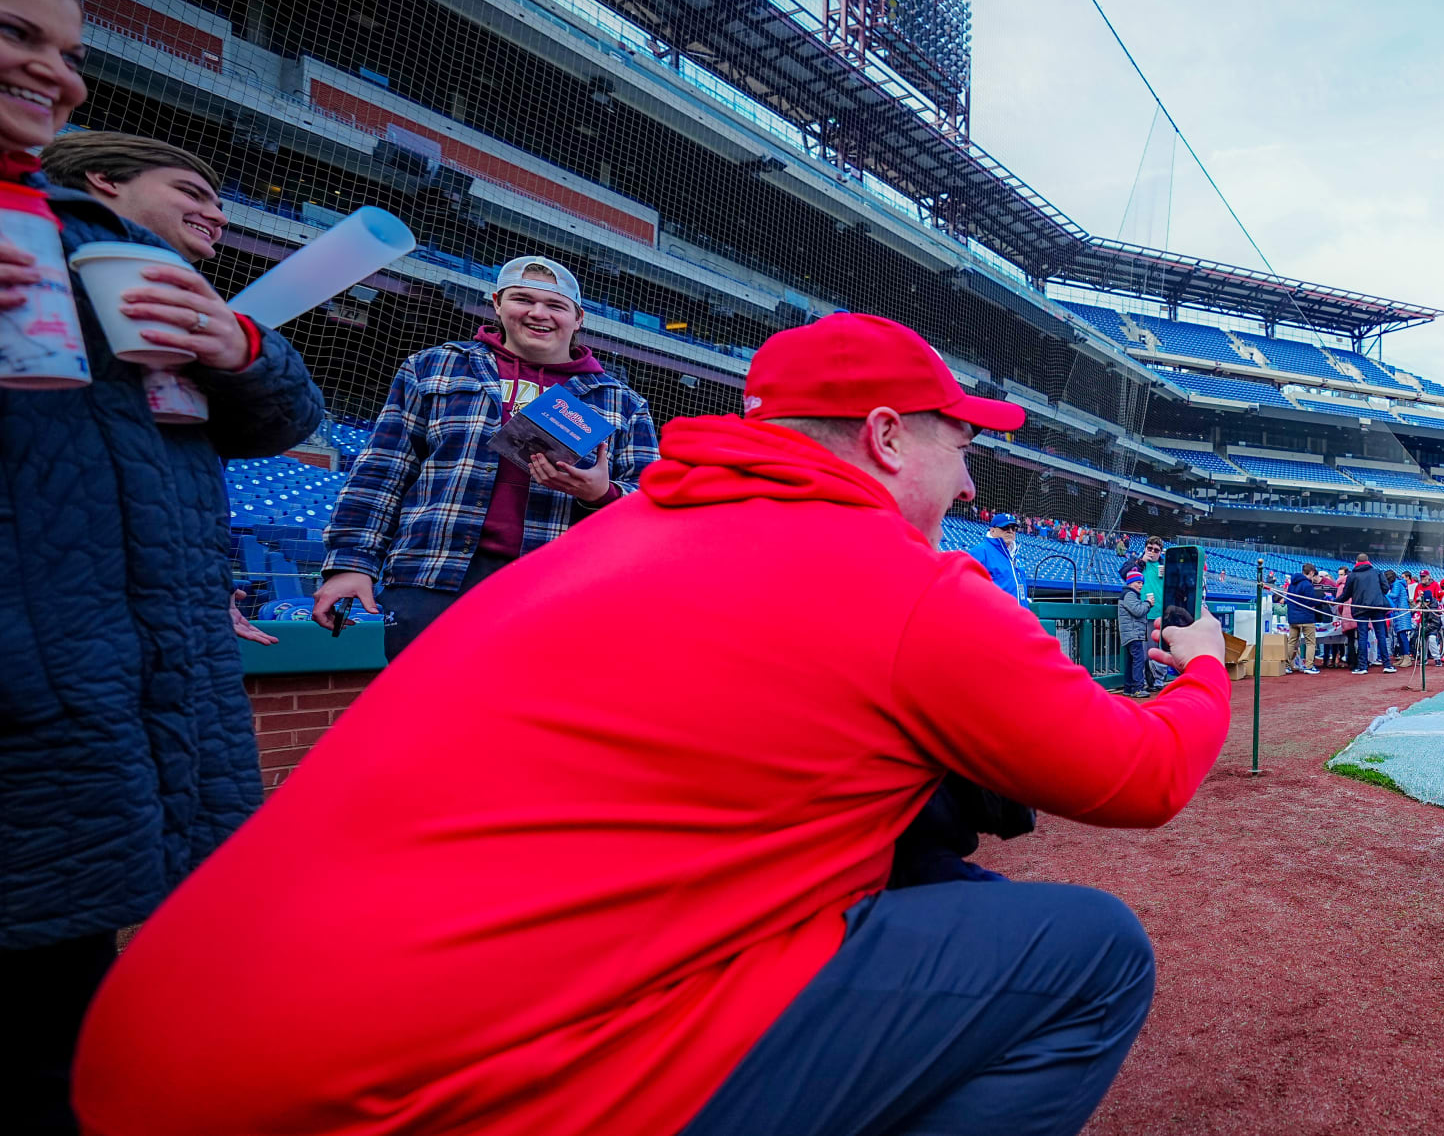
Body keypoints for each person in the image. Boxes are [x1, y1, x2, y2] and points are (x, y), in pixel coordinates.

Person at [75, 312, 1233, 1136]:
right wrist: (1199, 675)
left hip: (153, 1050)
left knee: (927, 875)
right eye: (960, 442)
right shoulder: (901, 577)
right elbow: (1138, 776)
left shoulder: (613, 532)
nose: (972, 483)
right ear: (887, 437)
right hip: (400, 1098)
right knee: (1089, 955)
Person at [0, 0, 324, 1136]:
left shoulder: (78, 230)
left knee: (76, 1010)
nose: (56, 72)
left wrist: (241, 346)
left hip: (135, 680)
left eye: (71, 52)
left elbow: (282, 425)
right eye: (17, 35)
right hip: (47, 683)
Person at [311, 255, 658, 660]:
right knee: (424, 709)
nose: (538, 313)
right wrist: (350, 564)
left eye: (556, 306)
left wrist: (603, 493)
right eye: (522, 299)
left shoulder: (621, 401)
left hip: (554, 587)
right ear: (496, 303)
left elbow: (649, 499)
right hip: (432, 575)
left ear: (578, 318)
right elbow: (382, 472)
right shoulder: (432, 368)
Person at [40, 130, 283, 647]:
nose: (217, 216)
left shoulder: (199, 303)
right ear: (104, 180)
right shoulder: (30, 252)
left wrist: (246, 353)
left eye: (219, 203)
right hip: (60, 599)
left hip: (171, 606)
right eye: (191, 194)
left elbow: (276, 426)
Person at [1342, 553, 1393, 674]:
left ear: (1356, 562)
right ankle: (1387, 665)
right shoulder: (1377, 572)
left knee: (1362, 637)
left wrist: (1334, 602)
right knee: (1381, 635)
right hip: (1377, 607)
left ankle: (1362, 666)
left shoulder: (1352, 575)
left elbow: (1346, 594)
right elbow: (1385, 588)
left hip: (1360, 609)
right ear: (1368, 561)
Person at [970, 511, 1030, 607]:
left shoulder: (1015, 555)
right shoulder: (980, 552)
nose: (1010, 531)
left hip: (1018, 618)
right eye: (1005, 527)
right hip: (995, 618)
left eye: (1013, 528)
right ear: (992, 530)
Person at [1284, 563, 1326, 674]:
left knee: (1291, 642)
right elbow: (1310, 601)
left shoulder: (1292, 584)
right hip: (1306, 617)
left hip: (1293, 617)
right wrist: (1322, 600)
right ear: (1311, 572)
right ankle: (1308, 666)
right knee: (1310, 642)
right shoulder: (1307, 584)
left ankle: (1287, 665)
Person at [1117, 568, 1153, 697]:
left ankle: (1129, 688)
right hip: (1133, 633)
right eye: (1137, 582)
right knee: (1138, 660)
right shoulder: (1129, 594)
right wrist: (1148, 603)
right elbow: (1137, 611)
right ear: (1130, 582)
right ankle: (1137, 688)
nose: (1140, 585)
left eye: (1141, 583)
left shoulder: (1128, 594)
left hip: (1130, 633)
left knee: (1131, 661)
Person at [1387, 569, 1415, 664]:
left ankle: (1407, 658)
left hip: (1401, 612)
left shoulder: (1397, 584)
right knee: (1399, 636)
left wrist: (1385, 594)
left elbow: (1394, 595)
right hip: (1399, 612)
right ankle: (1403, 657)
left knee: (1402, 636)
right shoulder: (1397, 584)